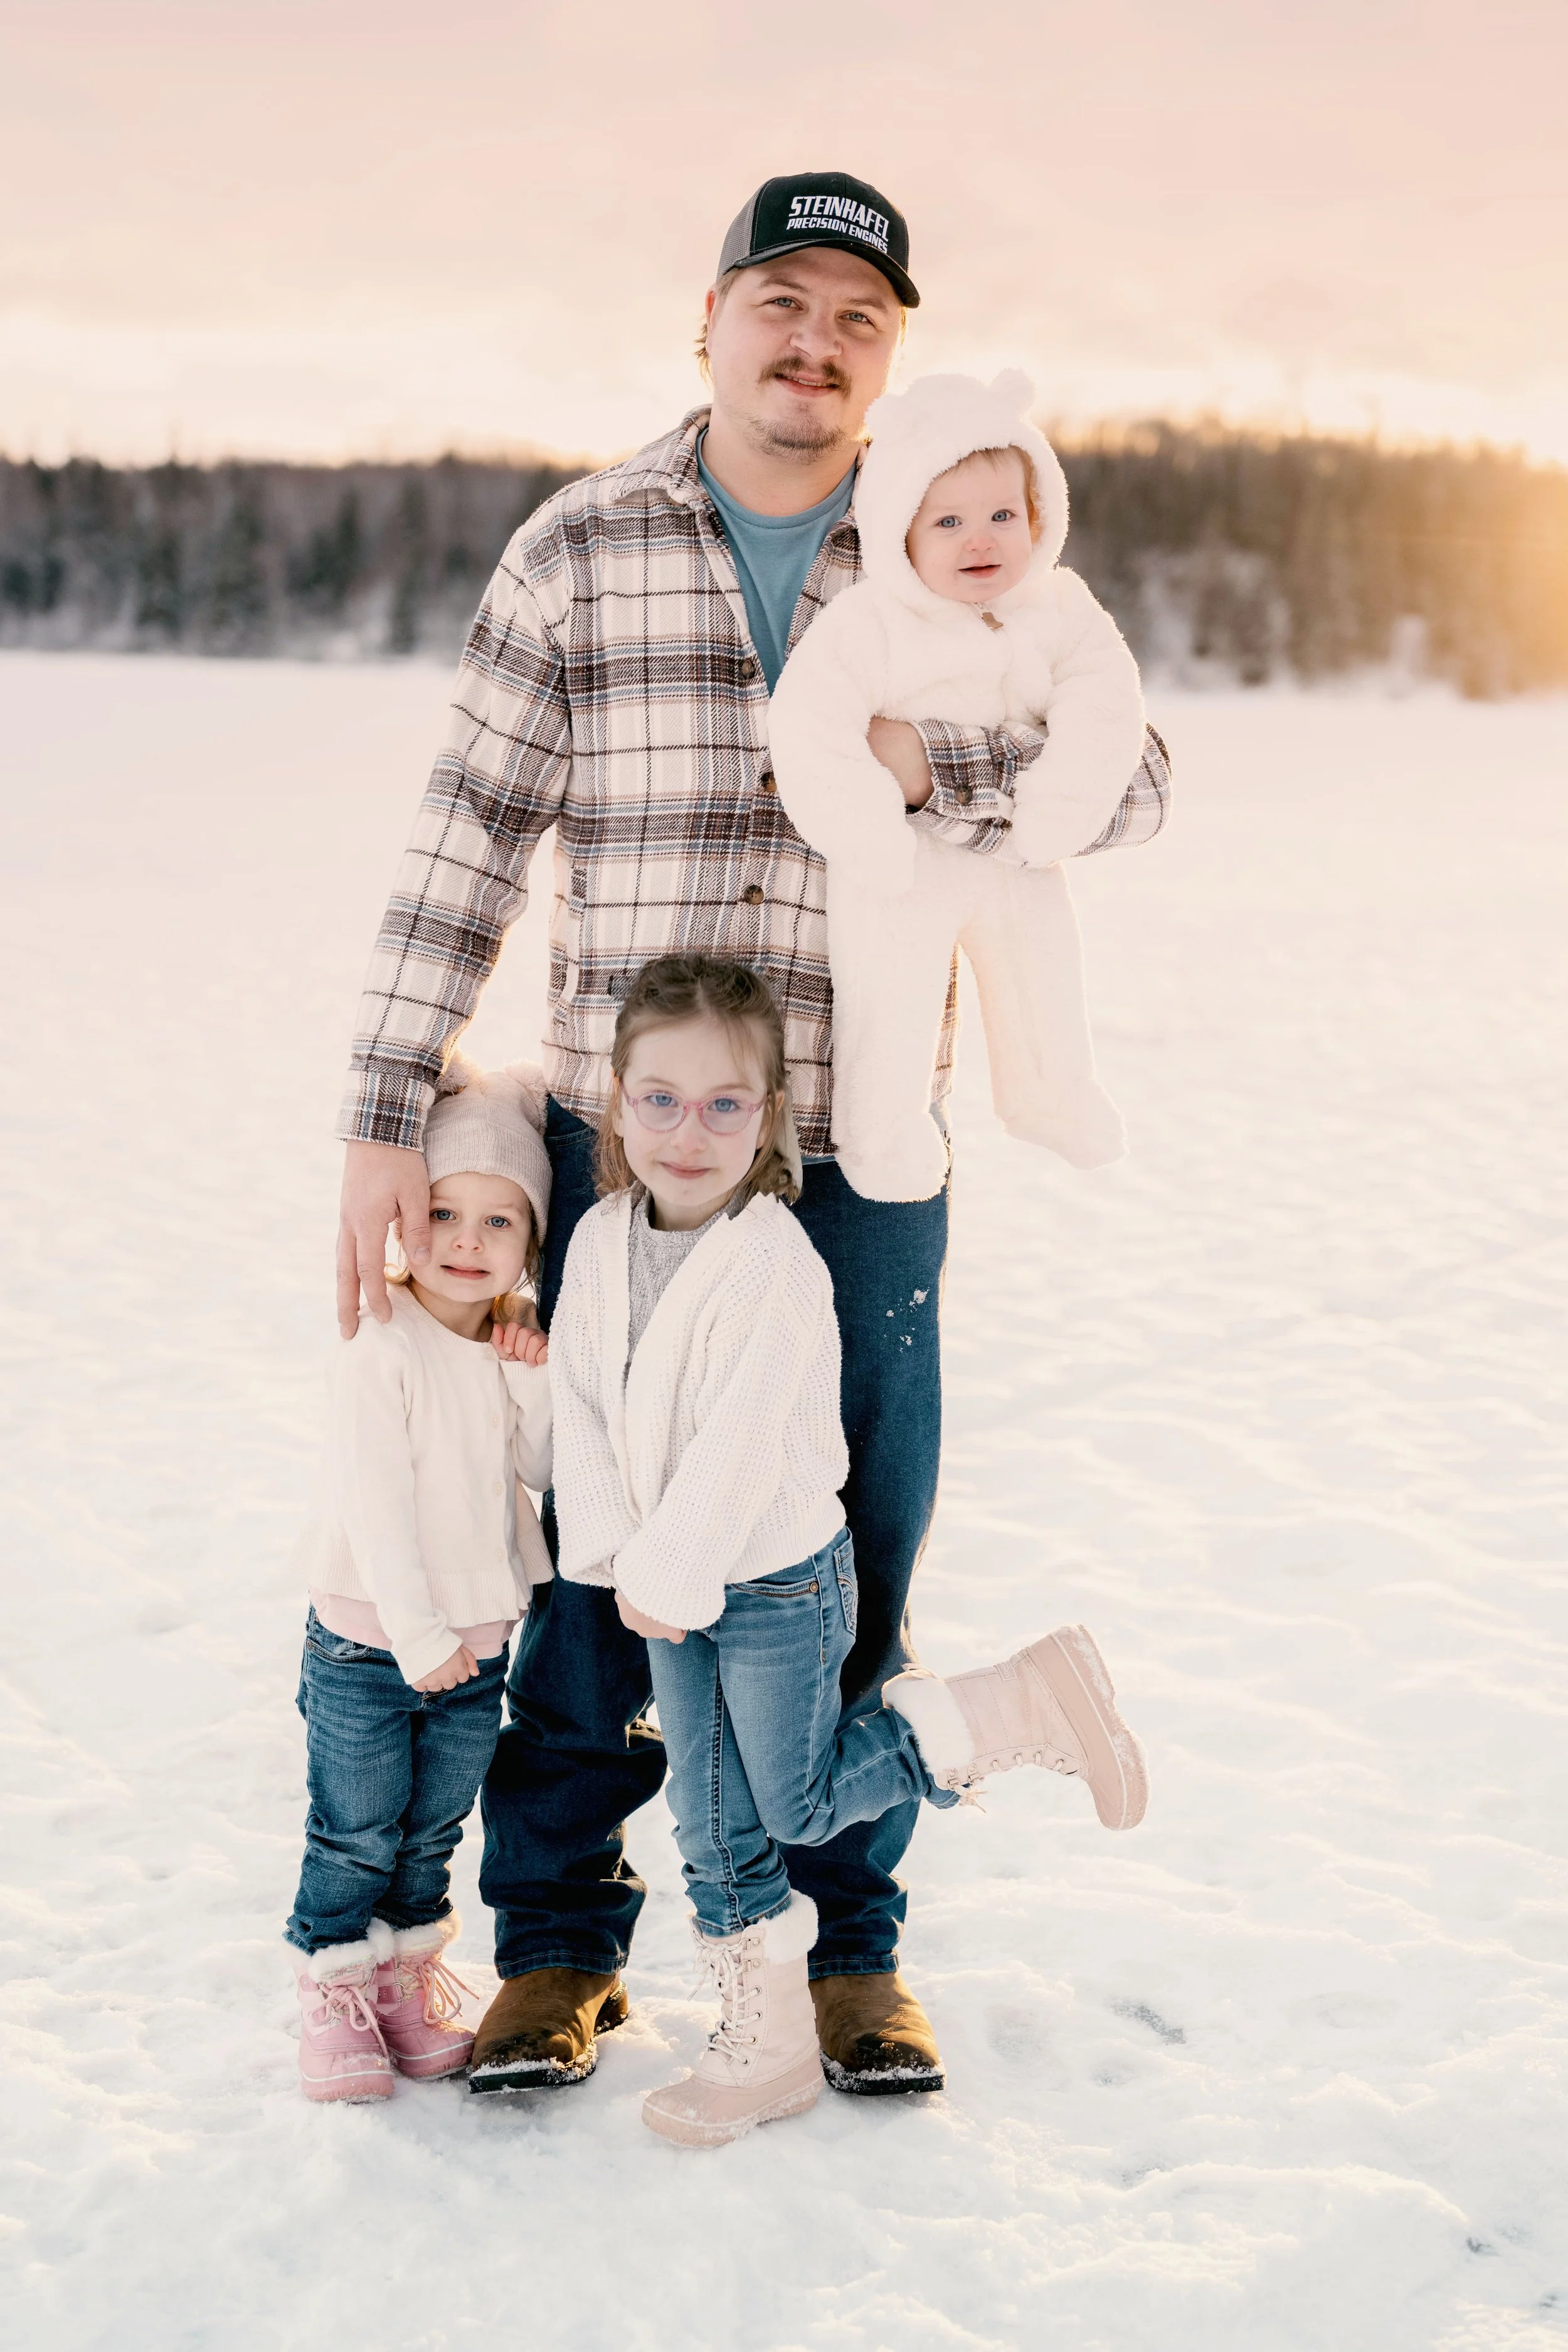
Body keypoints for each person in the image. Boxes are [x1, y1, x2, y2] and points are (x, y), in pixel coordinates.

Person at [335, 167, 1170, 2100]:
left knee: (844, 1551)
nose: (812, 346)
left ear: (893, 359)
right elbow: (462, 834)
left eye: (856, 320)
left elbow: (1126, 779)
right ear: (707, 319)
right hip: (602, 1146)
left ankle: (845, 1944)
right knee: (582, 1555)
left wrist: (930, 760)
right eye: (778, 303)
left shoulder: (955, 554)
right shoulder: (579, 545)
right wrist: (387, 1113)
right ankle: (556, 1942)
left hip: (851, 1153)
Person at [535, 953, 1146, 2146]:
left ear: (767, 1116)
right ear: (617, 1100)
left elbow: (743, 1444)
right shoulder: (603, 1239)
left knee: (799, 1803)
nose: (688, 1130)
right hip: (669, 1584)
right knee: (713, 1822)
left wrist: (663, 1575)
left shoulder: (774, 1260)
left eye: (724, 1103)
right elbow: (583, 1408)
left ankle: (1009, 1703)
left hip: (770, 1582)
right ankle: (762, 2047)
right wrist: (613, 1559)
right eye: (659, 1097)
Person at [768, 368, 1145, 1200]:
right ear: (901, 530)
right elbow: (809, 724)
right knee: (890, 1002)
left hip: (1020, 856)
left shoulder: (1059, 608)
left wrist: (1059, 806)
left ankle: (1053, 1095)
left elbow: (1109, 704)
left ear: (1039, 514)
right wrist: (863, 826)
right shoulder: (869, 623)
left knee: (1045, 976)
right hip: (899, 866)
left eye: (1003, 515)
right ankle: (885, 1138)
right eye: (949, 521)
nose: (982, 539)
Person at [286, 1062, 553, 2101]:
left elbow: (541, 1475)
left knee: (433, 1828)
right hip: (371, 1639)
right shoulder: (380, 1344)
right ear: (404, 1217)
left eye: (500, 1221)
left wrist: (531, 1378)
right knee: (355, 1827)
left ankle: (399, 1982)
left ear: (530, 1243)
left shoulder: (504, 1344)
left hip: (479, 1643)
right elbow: (375, 1509)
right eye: (443, 1211)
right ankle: (332, 1989)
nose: (467, 1241)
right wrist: (416, 1633)